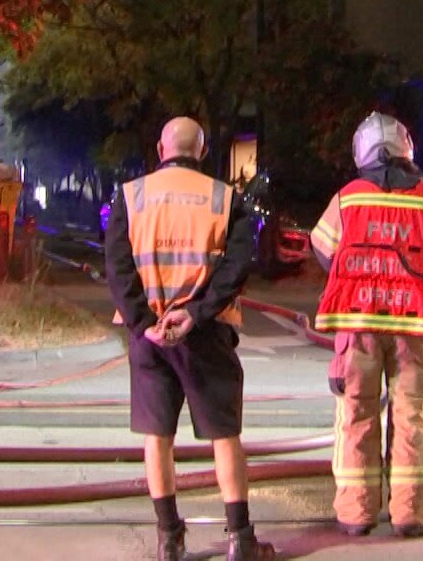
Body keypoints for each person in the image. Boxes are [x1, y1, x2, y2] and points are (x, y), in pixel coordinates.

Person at [103, 117, 274, 561]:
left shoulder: (131, 197)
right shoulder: (226, 198)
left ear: (162, 149)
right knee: (224, 435)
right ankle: (240, 539)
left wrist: (146, 324)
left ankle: (169, 541)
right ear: (200, 151)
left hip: (150, 338)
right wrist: (195, 315)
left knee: (157, 436)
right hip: (207, 333)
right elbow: (236, 269)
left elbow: (119, 270)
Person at [310, 112, 423, 538]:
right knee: (412, 416)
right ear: (406, 149)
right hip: (413, 328)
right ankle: (411, 513)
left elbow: (323, 250)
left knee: (356, 413)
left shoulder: (347, 198)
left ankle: (357, 514)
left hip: (358, 329)